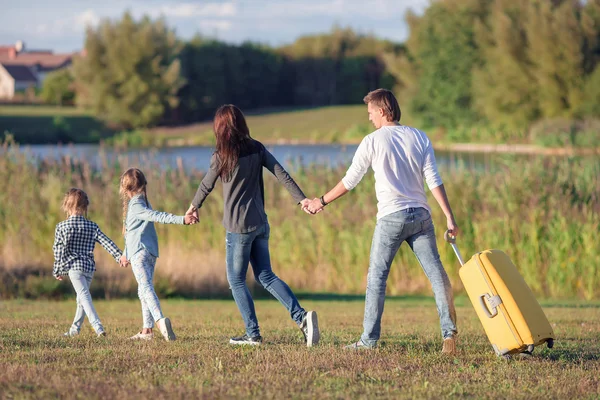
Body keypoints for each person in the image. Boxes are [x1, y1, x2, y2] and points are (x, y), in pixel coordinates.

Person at [306, 89, 458, 354]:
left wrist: (321, 201)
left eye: (370, 113)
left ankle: (368, 341)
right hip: (422, 216)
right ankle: (449, 336)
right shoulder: (419, 136)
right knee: (437, 276)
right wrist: (449, 216)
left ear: (382, 110)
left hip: (391, 218)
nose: (369, 119)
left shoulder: (372, 141)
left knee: (376, 278)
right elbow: (433, 179)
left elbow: (350, 181)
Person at [186, 104, 320, 347]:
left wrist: (193, 206)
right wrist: (301, 200)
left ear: (220, 128)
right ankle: (302, 319)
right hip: (260, 223)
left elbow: (207, 184)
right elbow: (281, 173)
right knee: (265, 275)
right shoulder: (257, 148)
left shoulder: (221, 155)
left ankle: (252, 334)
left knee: (236, 281)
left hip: (238, 228)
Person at [120, 168, 197, 341]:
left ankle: (160, 321)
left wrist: (181, 219)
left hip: (139, 253)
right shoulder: (143, 202)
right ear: (144, 185)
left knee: (146, 288)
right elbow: (133, 232)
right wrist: (125, 254)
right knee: (143, 289)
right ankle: (146, 331)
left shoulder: (138, 205)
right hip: (149, 253)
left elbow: (157, 216)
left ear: (125, 189)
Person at [53, 188, 123, 337]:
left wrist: (57, 269)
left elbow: (58, 250)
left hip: (74, 268)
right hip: (89, 267)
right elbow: (106, 242)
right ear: (85, 207)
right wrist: (119, 256)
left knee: (84, 297)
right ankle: (74, 330)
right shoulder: (92, 226)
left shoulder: (62, 227)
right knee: (82, 299)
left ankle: (98, 327)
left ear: (66, 206)